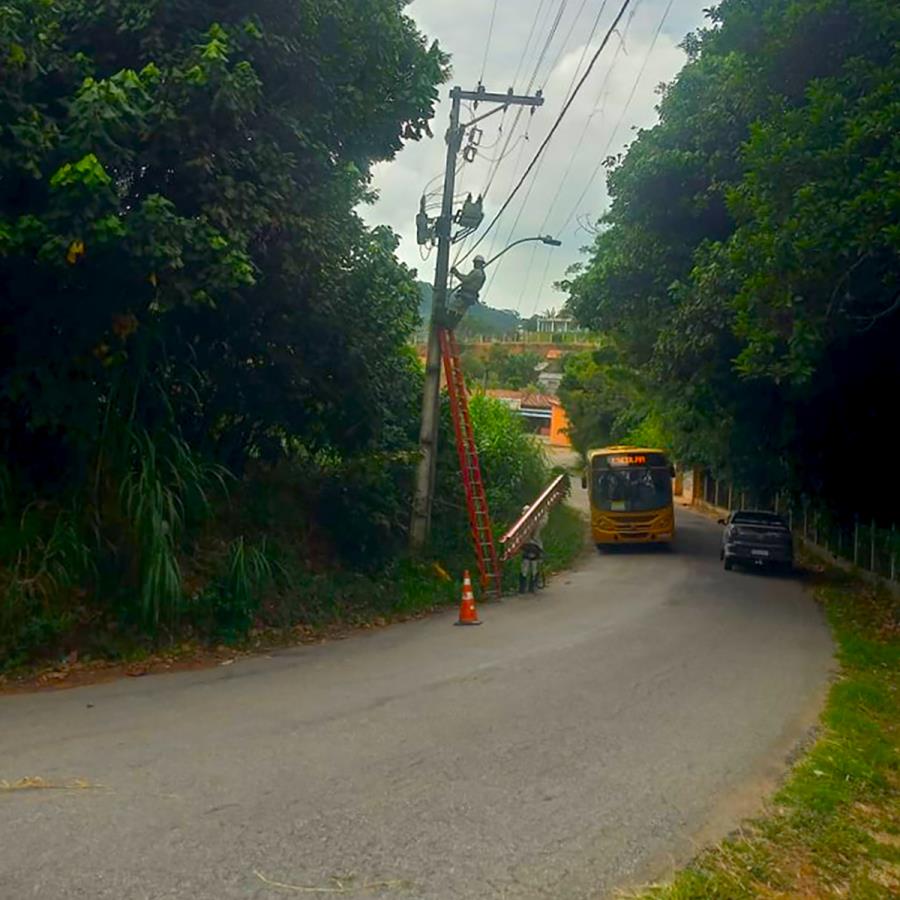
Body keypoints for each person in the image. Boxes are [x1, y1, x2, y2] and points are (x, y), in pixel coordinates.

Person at [445, 256, 486, 327]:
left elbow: (465, 279)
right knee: (461, 311)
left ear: (479, 263)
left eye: (475, 263)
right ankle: (452, 326)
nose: (474, 264)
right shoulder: (482, 274)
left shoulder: (476, 272)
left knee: (452, 306)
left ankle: (448, 323)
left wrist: (456, 273)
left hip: (465, 294)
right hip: (471, 297)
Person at [519, 504, 546, 594]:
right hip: (529, 545)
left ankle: (529, 586)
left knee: (532, 566)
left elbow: (543, 522)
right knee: (526, 566)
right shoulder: (524, 523)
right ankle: (526, 587)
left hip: (533, 545)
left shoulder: (536, 522)